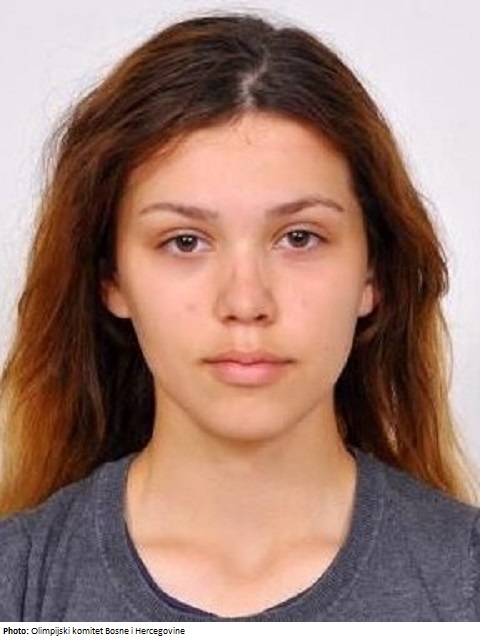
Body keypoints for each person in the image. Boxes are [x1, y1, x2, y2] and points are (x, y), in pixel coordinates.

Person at [0, 12, 478, 622]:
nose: (246, 302)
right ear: (111, 279)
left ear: (372, 274)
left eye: (300, 237)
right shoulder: (19, 586)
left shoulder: (463, 583)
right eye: (185, 242)